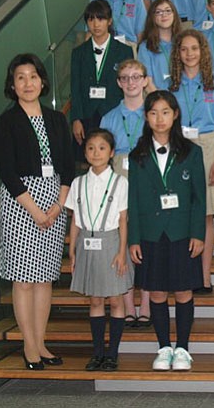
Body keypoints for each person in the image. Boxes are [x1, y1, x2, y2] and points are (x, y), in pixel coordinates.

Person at [0, 53, 74, 370]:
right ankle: (28, 346)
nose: (28, 83)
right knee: (23, 279)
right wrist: (36, 210)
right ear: (12, 85)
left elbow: (68, 167)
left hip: (54, 201)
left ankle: (41, 343)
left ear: (42, 81)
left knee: (44, 279)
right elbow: (6, 171)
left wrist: (57, 207)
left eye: (33, 76)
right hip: (20, 203)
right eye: (20, 77)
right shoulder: (7, 121)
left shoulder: (56, 119)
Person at [128, 90, 206, 371]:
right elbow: (132, 200)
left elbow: (199, 198)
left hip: (182, 232)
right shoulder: (137, 155)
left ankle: (183, 348)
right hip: (150, 233)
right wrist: (133, 238)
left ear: (175, 115)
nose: (159, 119)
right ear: (146, 118)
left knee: (184, 291)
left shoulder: (192, 152)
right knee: (157, 293)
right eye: (153, 113)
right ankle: (163, 347)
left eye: (165, 112)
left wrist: (198, 233)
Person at [67, 128, 133, 371]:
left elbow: (123, 220)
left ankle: (112, 353)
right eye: (91, 148)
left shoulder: (120, 182)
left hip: (112, 242)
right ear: (85, 152)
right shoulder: (78, 182)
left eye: (102, 148)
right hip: (86, 243)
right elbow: (74, 220)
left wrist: (121, 252)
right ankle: (97, 353)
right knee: (95, 299)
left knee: (116, 299)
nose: (96, 153)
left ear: (112, 152)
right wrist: (72, 251)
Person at [170, 29, 214, 293]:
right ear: (177, 53)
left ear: (203, 51)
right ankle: (182, 274)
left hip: (209, 144)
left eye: (194, 48)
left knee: (205, 215)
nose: (189, 54)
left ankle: (204, 277)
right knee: (181, 213)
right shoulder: (170, 84)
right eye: (184, 49)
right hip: (179, 146)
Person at [99, 59, 151, 328]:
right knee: (124, 239)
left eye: (136, 77)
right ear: (119, 83)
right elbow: (102, 158)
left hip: (149, 176)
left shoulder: (154, 113)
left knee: (150, 240)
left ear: (145, 80)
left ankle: (147, 304)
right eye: (125, 78)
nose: (131, 82)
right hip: (119, 177)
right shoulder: (109, 118)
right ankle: (129, 303)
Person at [70, 0, 133, 160]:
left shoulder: (123, 51)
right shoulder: (78, 53)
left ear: (109, 21)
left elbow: (128, 86)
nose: (96, 24)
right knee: (88, 159)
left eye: (101, 19)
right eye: (91, 19)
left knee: (115, 156)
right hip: (87, 114)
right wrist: (76, 119)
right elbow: (75, 88)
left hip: (114, 111)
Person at [138, 0, 181, 91]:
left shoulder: (183, 43)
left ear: (175, 14)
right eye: (158, 12)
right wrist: (161, 103)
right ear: (152, 17)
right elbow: (147, 83)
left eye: (168, 11)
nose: (164, 15)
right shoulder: (145, 47)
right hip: (158, 98)